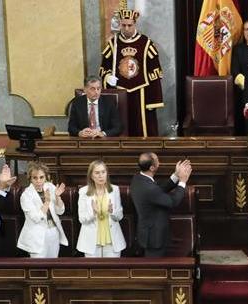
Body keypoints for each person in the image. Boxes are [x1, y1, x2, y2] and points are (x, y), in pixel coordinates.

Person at [100, 8, 163, 137]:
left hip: (142, 95)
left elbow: (156, 73)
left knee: (143, 129)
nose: (127, 28)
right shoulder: (113, 44)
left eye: (130, 25)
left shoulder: (146, 44)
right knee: (121, 127)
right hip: (120, 94)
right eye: (123, 25)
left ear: (135, 24)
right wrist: (107, 77)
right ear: (120, 25)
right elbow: (103, 68)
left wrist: (153, 99)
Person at [130, 152, 192, 257]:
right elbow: (173, 201)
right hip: (155, 237)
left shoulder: (138, 179)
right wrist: (182, 181)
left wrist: (176, 175)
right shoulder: (149, 188)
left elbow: (158, 191)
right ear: (152, 168)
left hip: (148, 233)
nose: (160, 162)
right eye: (157, 161)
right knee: (154, 270)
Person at [17, 162, 68, 258]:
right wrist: (47, 202)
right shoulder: (26, 195)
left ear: (46, 177)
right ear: (30, 179)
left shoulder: (50, 187)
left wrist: (57, 197)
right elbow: (36, 218)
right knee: (38, 269)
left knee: (52, 265)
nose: (38, 181)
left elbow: (60, 211)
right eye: (35, 178)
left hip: (53, 231)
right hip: (36, 235)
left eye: (41, 177)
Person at [77, 160, 126, 257]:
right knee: (93, 272)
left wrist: (112, 212)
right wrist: (93, 213)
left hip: (112, 242)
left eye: (103, 172)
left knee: (112, 271)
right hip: (91, 242)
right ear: (91, 176)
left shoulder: (114, 190)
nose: (101, 176)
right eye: (97, 173)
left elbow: (119, 216)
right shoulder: (83, 192)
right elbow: (82, 219)